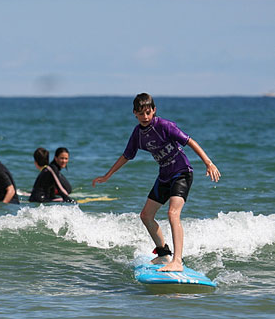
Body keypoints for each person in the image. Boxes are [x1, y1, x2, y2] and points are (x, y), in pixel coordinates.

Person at [92, 93, 221, 272]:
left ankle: (177, 261)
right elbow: (126, 156)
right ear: (134, 113)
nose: (145, 117)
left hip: (182, 173)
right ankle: (163, 254)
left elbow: (190, 141)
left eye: (148, 112)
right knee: (146, 215)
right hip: (164, 176)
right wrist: (107, 176)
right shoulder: (138, 134)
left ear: (154, 111)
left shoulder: (165, 126)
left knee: (173, 214)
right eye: (140, 113)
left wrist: (208, 163)